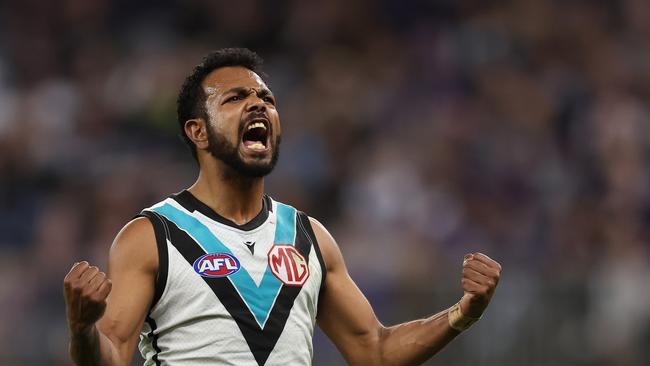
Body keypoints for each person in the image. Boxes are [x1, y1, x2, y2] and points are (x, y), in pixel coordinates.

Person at [63, 48, 502, 366]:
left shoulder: (309, 237)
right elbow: (114, 355)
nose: (258, 103)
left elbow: (375, 351)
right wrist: (83, 328)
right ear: (197, 132)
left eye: (267, 99)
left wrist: (463, 313)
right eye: (234, 98)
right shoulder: (152, 236)